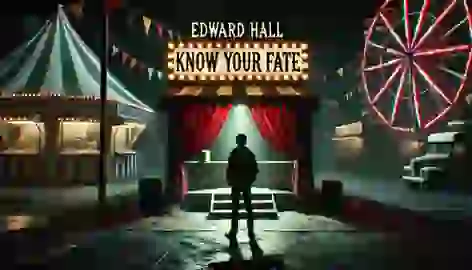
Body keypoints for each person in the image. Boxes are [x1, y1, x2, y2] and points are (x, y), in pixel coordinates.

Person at [225, 133, 259, 241]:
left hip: (237, 184)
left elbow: (229, 169)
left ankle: (234, 232)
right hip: (245, 184)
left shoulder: (234, 153)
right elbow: (255, 169)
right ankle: (250, 232)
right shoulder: (249, 154)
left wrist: (230, 180)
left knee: (235, 210)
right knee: (248, 210)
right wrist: (250, 180)